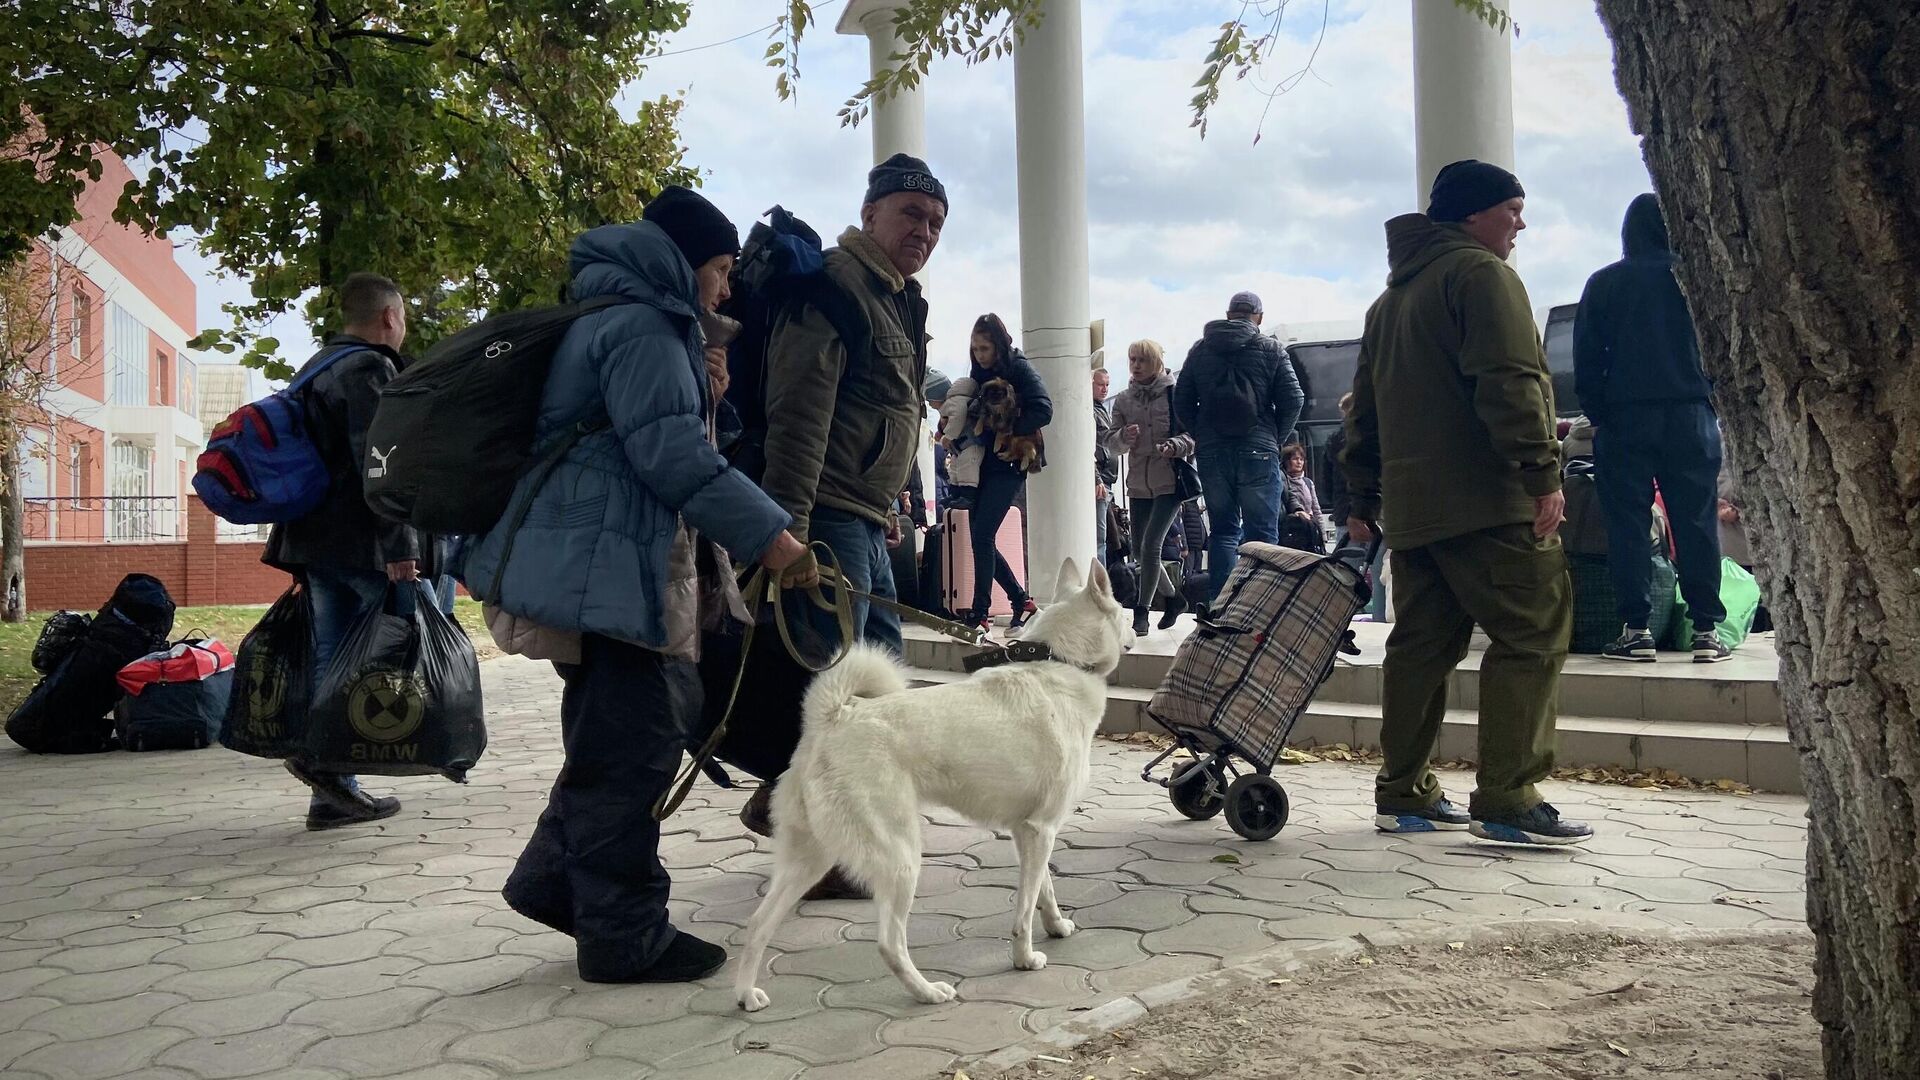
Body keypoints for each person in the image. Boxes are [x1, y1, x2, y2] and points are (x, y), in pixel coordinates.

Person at [462, 186, 810, 983]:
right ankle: (624, 936)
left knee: (621, 737)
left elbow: (649, 442)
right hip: (610, 576)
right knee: (632, 748)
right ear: (685, 264)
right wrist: (776, 539)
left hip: (603, 568)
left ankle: (556, 884)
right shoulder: (647, 326)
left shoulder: (621, 319)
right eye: (720, 270)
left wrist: (709, 397)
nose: (726, 288)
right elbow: (674, 460)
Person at [1342, 159, 1591, 846]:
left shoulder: (1390, 300)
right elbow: (1509, 380)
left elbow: (1362, 411)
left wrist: (1361, 493)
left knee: (1422, 644)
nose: (1520, 222)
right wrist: (1543, 474)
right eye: (1512, 208)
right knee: (1534, 630)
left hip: (1416, 510)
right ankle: (1509, 796)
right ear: (1475, 214)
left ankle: (1404, 791)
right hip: (1489, 502)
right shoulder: (1482, 276)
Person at [759, 153, 947, 653]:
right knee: (831, 680)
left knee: (880, 682)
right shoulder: (837, 284)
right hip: (826, 519)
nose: (924, 231)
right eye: (911, 213)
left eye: (935, 222)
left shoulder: (896, 296)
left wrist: (886, 505)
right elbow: (798, 415)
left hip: (866, 522)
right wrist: (788, 533)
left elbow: (882, 411)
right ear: (869, 214)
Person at [263, 272, 423, 831]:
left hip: (313, 542)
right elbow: (376, 460)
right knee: (395, 651)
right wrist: (400, 545)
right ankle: (323, 758)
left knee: (335, 658)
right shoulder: (368, 368)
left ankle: (332, 793)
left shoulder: (314, 368)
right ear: (387, 317)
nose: (403, 328)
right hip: (361, 544)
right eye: (402, 317)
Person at [1573, 193, 1730, 663]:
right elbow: (1724, 347)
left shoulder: (1604, 284)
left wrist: (1599, 414)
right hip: (1691, 414)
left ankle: (1636, 628)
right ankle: (1706, 630)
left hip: (1625, 418)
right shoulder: (1696, 281)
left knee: (1628, 524)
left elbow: (1585, 360)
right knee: (1697, 520)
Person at [1174, 291, 1305, 608]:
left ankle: (1220, 607)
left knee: (1223, 531)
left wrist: (1204, 435)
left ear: (1229, 314)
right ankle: (1259, 606)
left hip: (1213, 453)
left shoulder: (1201, 350)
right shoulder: (1271, 348)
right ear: (1258, 317)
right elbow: (1294, 398)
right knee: (1262, 535)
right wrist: (1273, 438)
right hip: (1259, 451)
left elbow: (1181, 401)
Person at [956, 313, 1051, 629]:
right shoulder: (978, 374)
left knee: (982, 534)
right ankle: (1020, 601)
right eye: (975, 349)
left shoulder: (1019, 367)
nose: (980, 355)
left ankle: (980, 612)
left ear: (998, 345)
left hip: (1010, 463)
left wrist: (1007, 431)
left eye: (985, 348)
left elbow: (1044, 409)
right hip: (983, 462)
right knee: (980, 537)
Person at [1104, 339, 1195, 635]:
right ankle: (1174, 598)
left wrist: (1174, 446)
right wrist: (1123, 438)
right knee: (1142, 554)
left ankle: (1142, 611)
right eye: (1132, 360)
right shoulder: (1123, 399)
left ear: (1156, 362)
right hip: (1138, 483)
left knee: (1151, 545)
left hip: (1169, 481)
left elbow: (1192, 436)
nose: (1136, 366)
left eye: (1142, 360)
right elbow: (1109, 442)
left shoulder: (1173, 393)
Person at [1092, 366, 1118, 567]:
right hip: (1101, 480)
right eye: (1101, 384)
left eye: (1107, 384)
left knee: (1105, 538)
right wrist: (1097, 479)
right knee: (1099, 538)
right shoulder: (1091, 411)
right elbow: (1087, 447)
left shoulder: (1101, 410)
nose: (1105, 389)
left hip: (1107, 479)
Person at [1279, 443, 1324, 553]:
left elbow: (1316, 510)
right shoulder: (1281, 482)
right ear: (1286, 461)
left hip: (1309, 531)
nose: (1299, 462)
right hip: (1290, 533)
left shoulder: (1308, 483)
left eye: (1301, 459)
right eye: (1295, 459)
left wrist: (1322, 535)